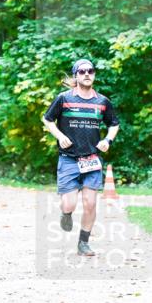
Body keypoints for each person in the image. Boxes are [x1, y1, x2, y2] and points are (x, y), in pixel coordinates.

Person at [42, 58, 119, 256]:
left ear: (94, 75)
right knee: (69, 203)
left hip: (92, 160)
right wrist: (60, 136)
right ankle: (66, 213)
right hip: (69, 158)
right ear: (76, 75)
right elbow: (47, 119)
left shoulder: (102, 102)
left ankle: (83, 243)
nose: (87, 74)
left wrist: (108, 140)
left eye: (90, 71)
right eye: (82, 71)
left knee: (90, 203)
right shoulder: (64, 98)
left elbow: (114, 124)